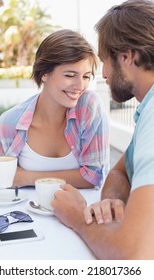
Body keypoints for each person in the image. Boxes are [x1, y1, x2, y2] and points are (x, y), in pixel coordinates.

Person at [52, 0, 154, 259]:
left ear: (127, 57)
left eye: (104, 61)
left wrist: (77, 216)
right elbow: (121, 170)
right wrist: (111, 200)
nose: (104, 74)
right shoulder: (146, 111)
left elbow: (134, 256)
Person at [0, 29, 109, 189]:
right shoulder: (7, 124)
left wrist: (24, 177)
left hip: (77, 212)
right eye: (70, 75)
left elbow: (94, 177)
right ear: (44, 73)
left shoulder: (88, 107)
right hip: (24, 213)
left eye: (86, 76)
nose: (80, 85)